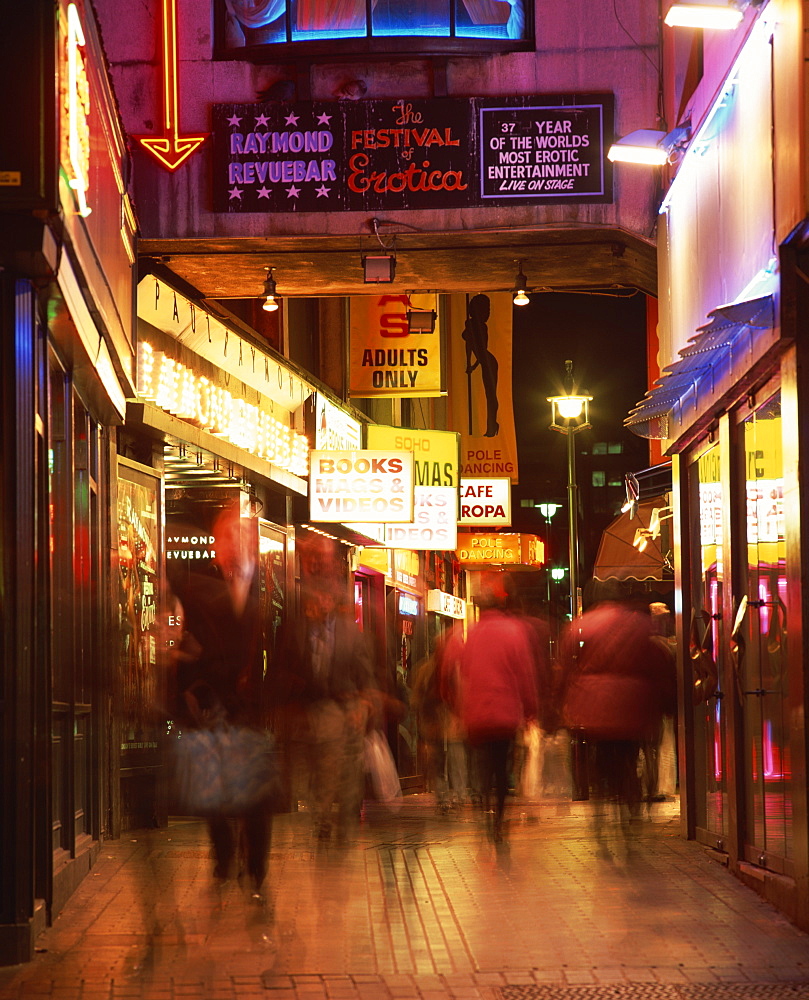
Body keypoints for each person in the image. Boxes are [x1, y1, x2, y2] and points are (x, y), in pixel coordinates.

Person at [168, 505, 274, 903]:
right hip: (212, 712)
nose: (236, 545)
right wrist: (189, 689)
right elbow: (185, 647)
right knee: (217, 793)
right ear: (216, 547)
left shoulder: (270, 590)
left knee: (256, 797)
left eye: (243, 537)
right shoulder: (198, 591)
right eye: (229, 537)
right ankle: (225, 856)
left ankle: (257, 869)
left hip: (251, 715)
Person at [558, 599, 673, 844]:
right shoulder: (640, 627)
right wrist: (664, 704)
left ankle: (601, 812)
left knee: (601, 762)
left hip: (593, 711)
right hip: (632, 710)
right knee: (628, 761)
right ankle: (631, 809)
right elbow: (656, 667)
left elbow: (566, 668)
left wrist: (560, 705)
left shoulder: (583, 625)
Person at [274, 582, 376, 845]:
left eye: (323, 599)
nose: (318, 605)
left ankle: (335, 817)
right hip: (306, 712)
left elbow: (363, 672)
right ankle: (322, 815)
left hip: (340, 709)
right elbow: (280, 667)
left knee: (336, 766)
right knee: (313, 768)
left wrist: (364, 702)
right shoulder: (295, 631)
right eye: (313, 601)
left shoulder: (349, 632)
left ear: (331, 602)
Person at [449, 573, 538, 843]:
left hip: (476, 715)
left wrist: (458, 707)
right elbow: (525, 674)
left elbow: (460, 671)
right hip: (505, 714)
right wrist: (531, 710)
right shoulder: (514, 631)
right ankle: (498, 818)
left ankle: (484, 809)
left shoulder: (471, 634)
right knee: (501, 767)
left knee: (482, 765)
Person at [462, 293, 500, 437]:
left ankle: (492, 425)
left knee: (491, 395)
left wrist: (474, 364)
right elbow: (469, 346)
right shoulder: (469, 324)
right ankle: (492, 425)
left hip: (488, 362)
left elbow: (482, 349)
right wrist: (468, 363)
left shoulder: (482, 327)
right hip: (484, 361)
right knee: (489, 394)